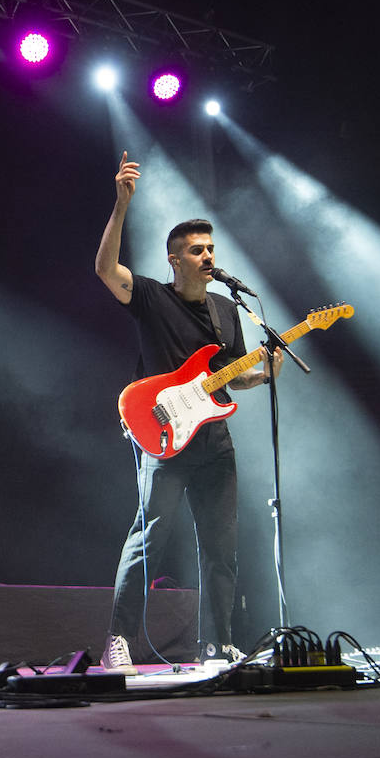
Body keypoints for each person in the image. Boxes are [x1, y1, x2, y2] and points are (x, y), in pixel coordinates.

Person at [94, 151, 282, 674]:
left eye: (211, 248)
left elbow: (230, 378)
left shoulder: (226, 309)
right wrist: (121, 204)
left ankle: (218, 645)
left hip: (213, 443)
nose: (207, 255)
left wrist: (263, 370)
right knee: (150, 536)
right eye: (196, 250)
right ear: (174, 258)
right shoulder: (152, 297)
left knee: (222, 548)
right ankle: (119, 640)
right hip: (163, 438)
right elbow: (106, 269)